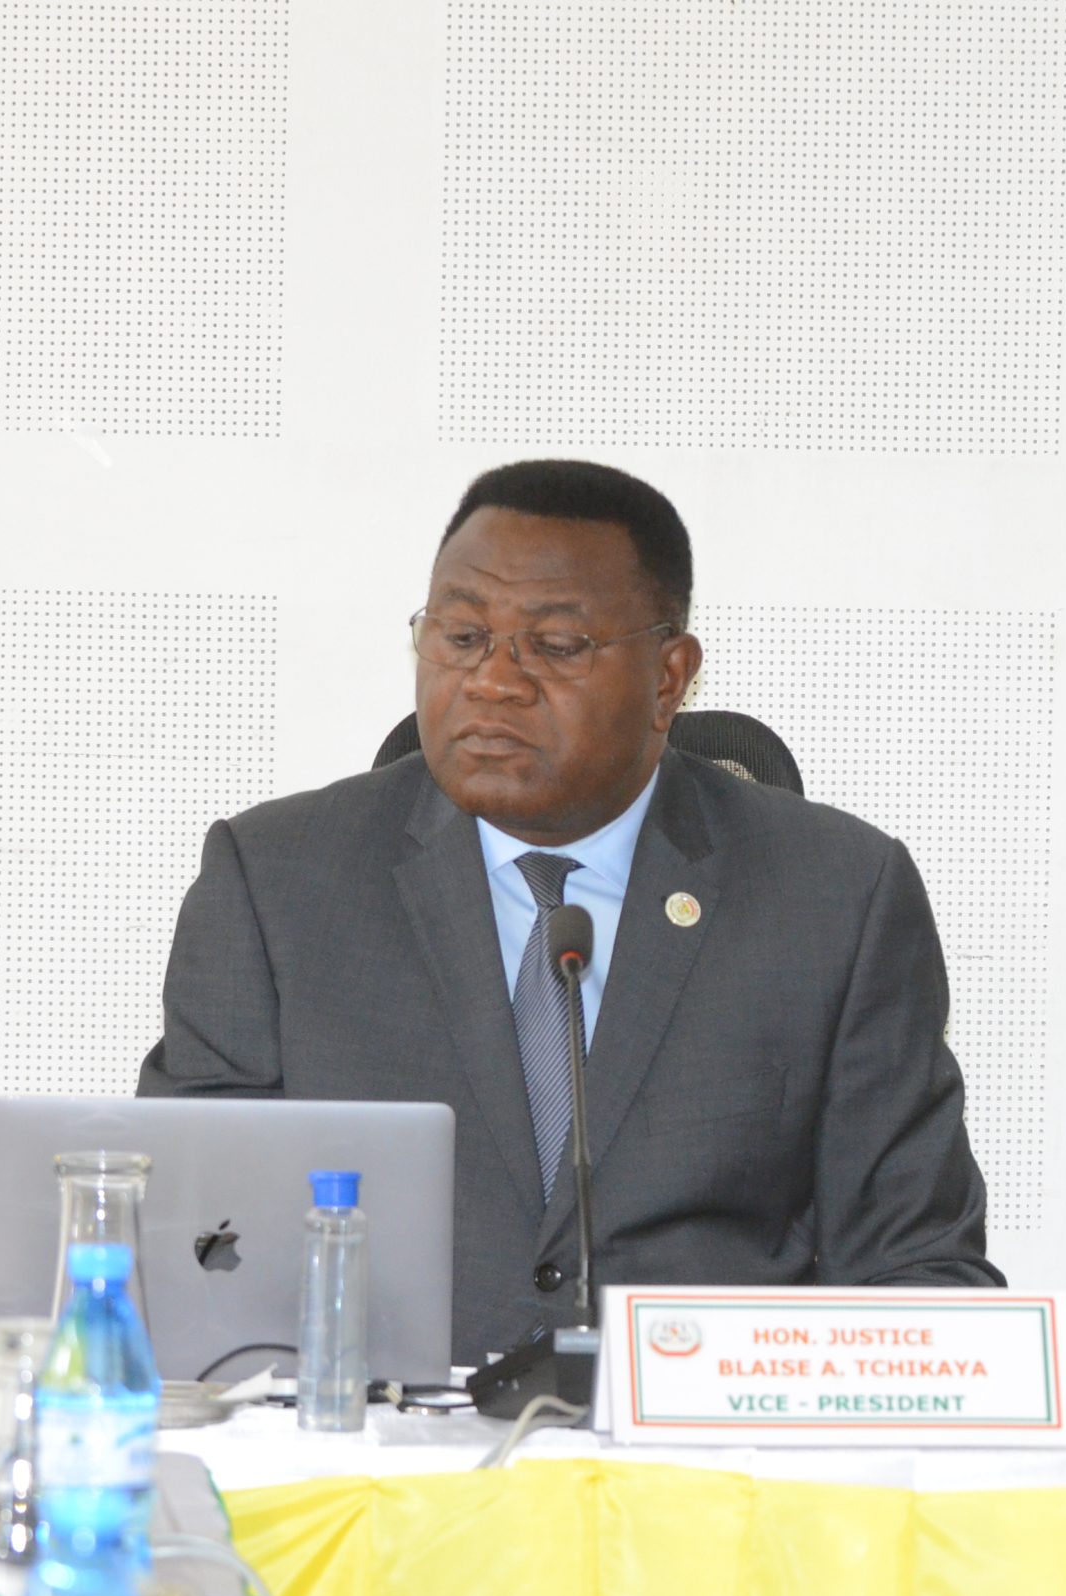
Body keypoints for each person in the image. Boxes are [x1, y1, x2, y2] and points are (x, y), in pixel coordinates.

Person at [141, 460, 1000, 1362]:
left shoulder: (836, 896)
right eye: (463, 635)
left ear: (670, 679)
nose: (494, 682)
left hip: (703, 1467)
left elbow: (915, 1265)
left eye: (555, 646)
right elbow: (190, 1241)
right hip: (384, 1454)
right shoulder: (278, 882)